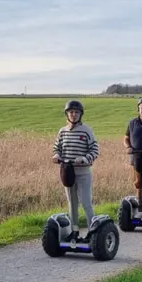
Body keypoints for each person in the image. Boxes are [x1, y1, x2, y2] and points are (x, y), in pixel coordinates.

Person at [52, 100, 100, 238]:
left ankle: (93, 231)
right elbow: (57, 148)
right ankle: (75, 230)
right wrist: (56, 155)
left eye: (76, 112)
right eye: (71, 112)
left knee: (86, 202)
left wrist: (85, 158)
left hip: (83, 172)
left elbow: (95, 149)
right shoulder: (63, 131)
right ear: (67, 114)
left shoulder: (86, 131)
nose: (73, 115)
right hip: (67, 171)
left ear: (81, 115)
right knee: (72, 203)